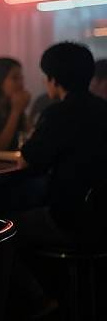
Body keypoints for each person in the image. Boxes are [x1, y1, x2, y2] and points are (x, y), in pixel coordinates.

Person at [18, 42, 107, 238]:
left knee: (12, 223)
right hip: (101, 216)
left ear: (54, 80)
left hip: (69, 219)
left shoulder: (57, 114)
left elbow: (31, 161)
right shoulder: (102, 107)